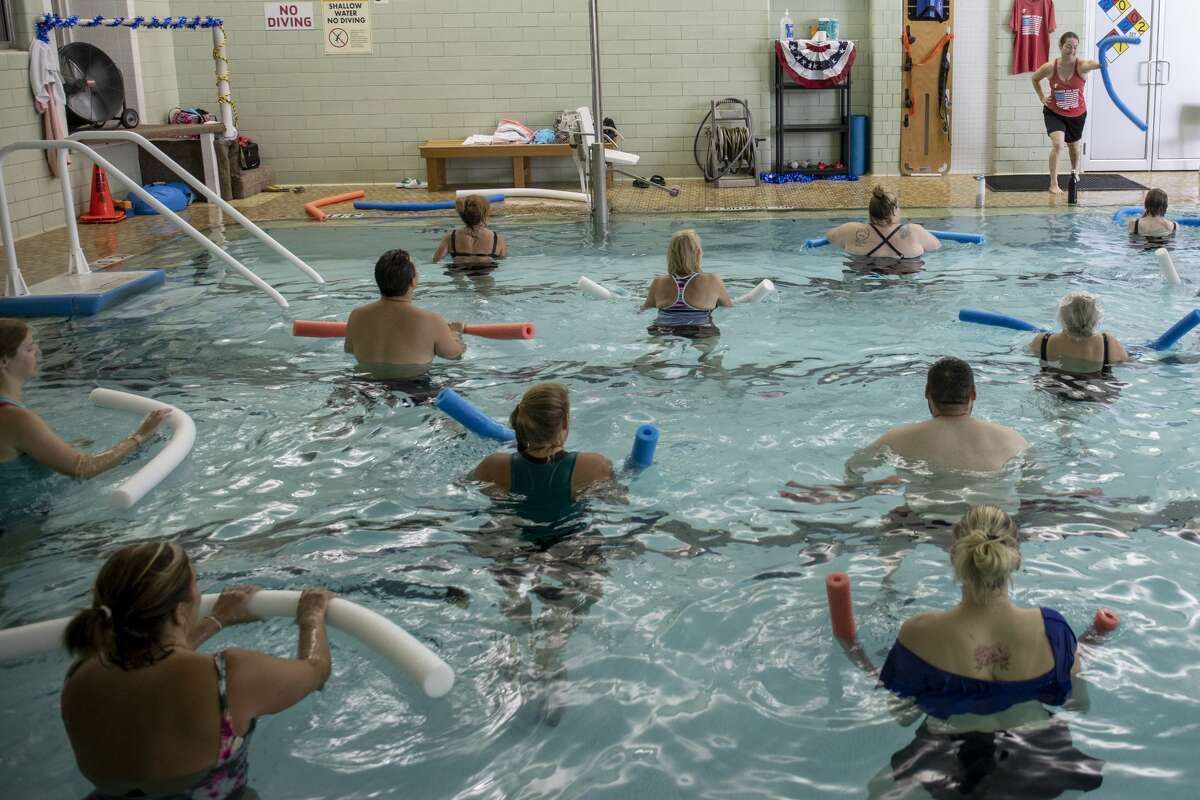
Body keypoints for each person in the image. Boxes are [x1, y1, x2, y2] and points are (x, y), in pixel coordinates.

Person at [61, 542, 334, 800]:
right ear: (180, 612)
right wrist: (311, 614)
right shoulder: (228, 676)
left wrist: (217, 620)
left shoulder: (80, 676)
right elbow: (316, 669)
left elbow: (151, 663)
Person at [873, 505, 1103, 797]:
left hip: (948, 755)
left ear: (955, 556)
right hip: (1036, 753)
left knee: (878, 790)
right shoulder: (1054, 630)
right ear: (1015, 558)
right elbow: (1077, 704)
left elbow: (902, 715)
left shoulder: (918, 633)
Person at [0, 318, 169, 485]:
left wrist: (59, 448)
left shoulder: (10, 412)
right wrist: (140, 436)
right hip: (26, 512)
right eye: (29, 349)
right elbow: (83, 468)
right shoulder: (17, 418)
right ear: (4, 361)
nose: (37, 352)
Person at [845, 357, 1029, 477]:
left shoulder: (896, 439)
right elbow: (1034, 486)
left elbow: (853, 468)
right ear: (973, 393)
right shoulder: (1014, 440)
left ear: (927, 392)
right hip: (992, 526)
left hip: (926, 524)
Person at [472, 383, 614, 522]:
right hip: (573, 539)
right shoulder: (593, 464)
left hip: (513, 537)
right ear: (565, 422)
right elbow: (618, 501)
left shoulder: (492, 465)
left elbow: (462, 489)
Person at [345, 249, 465, 383]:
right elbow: (453, 355)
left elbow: (349, 349)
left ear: (378, 280)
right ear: (413, 281)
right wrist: (455, 333)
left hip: (364, 383)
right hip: (412, 387)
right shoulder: (431, 320)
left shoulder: (357, 315)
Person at [1031, 32, 1101, 194]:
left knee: (1074, 147)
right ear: (1061, 46)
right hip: (1054, 112)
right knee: (1057, 144)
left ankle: (1074, 172)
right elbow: (1034, 78)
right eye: (1068, 46)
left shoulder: (1081, 65)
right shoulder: (1050, 67)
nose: (1072, 50)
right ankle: (1053, 184)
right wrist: (1042, 97)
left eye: (1075, 47)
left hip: (1077, 114)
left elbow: (1095, 64)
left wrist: (1103, 62)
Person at [1026, 291, 1129, 398]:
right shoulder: (1107, 342)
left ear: (1062, 315)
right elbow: (1125, 362)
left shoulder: (1043, 340)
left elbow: (1028, 354)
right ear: (1096, 317)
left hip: (1051, 388)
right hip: (1095, 392)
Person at [641, 229, 732, 338]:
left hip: (663, 328)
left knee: (654, 352)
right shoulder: (712, 280)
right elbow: (728, 307)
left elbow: (645, 309)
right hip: (701, 329)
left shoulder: (659, 282)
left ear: (671, 254)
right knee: (710, 354)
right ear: (698, 252)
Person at [824, 186, 941, 266]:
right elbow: (937, 246)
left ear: (871, 211)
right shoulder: (914, 231)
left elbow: (829, 236)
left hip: (862, 279)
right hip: (903, 285)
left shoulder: (850, 230)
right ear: (894, 211)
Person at [431, 194, 508, 268]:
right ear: (485, 214)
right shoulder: (497, 238)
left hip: (458, 268)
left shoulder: (451, 236)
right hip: (486, 268)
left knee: (457, 277)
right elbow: (502, 260)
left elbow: (436, 260)